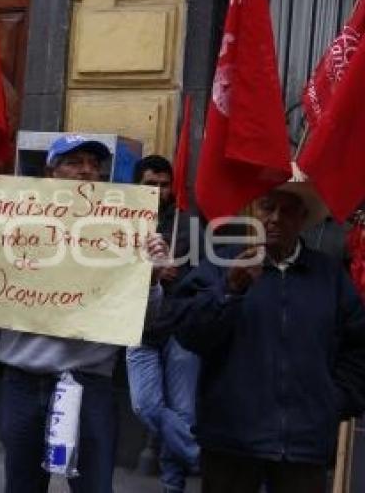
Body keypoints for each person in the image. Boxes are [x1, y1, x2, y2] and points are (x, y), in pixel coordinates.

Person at [0, 135, 168, 493]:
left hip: (89, 385)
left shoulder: (126, 232)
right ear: (51, 173)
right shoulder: (8, 224)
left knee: (94, 487)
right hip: (23, 383)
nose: (87, 171)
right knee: (21, 486)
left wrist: (151, 281)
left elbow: (143, 325)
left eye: (94, 165)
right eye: (75, 162)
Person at [173, 179, 365, 493]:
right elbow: (187, 331)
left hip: (303, 446)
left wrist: (335, 400)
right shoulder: (223, 263)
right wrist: (229, 290)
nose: (275, 218)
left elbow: (358, 343)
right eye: (268, 207)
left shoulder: (328, 275)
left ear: (302, 219)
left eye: (287, 210)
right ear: (255, 211)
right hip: (231, 441)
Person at [125, 155, 200, 492]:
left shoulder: (190, 226)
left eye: (163, 184)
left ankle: (173, 484)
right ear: (136, 186)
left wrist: (177, 274)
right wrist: (149, 273)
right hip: (138, 327)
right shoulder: (119, 224)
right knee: (146, 405)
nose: (157, 191)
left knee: (182, 411)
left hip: (181, 328)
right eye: (149, 184)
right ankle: (200, 455)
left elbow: (207, 278)